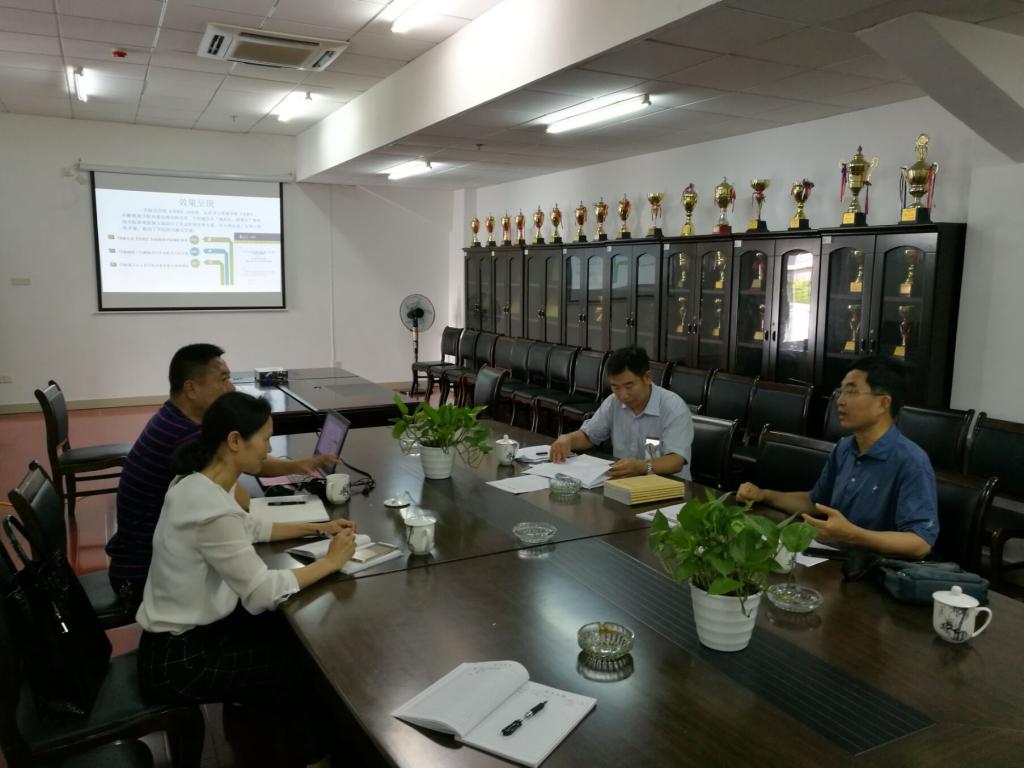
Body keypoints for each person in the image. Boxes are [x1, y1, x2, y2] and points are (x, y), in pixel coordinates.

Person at [137, 391, 355, 767]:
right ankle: (315, 755)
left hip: (172, 641)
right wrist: (331, 562)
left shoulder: (194, 482)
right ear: (235, 441)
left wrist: (320, 529)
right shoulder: (210, 508)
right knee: (300, 665)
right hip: (181, 662)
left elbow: (250, 527)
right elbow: (260, 591)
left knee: (284, 634)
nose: (269, 449)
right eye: (265, 439)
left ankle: (269, 723)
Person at [106, 343, 334, 606]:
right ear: (191, 388)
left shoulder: (176, 421)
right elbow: (244, 506)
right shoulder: (187, 440)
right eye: (223, 380)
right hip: (141, 576)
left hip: (150, 568)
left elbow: (248, 515)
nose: (231, 388)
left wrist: (318, 525)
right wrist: (331, 560)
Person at [737, 356, 937, 559]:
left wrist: (854, 535)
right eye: (841, 392)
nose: (840, 401)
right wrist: (764, 495)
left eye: (851, 392)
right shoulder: (844, 447)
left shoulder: (911, 461)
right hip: (831, 557)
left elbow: (920, 543)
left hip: (873, 568)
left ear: (883, 403)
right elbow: (814, 502)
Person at [549, 346, 693, 479]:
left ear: (647, 378)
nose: (623, 395)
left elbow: (676, 461)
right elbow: (589, 436)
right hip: (625, 483)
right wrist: (568, 439)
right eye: (616, 387)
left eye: (629, 386)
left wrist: (643, 467)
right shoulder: (613, 402)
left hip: (668, 487)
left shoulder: (673, 407)